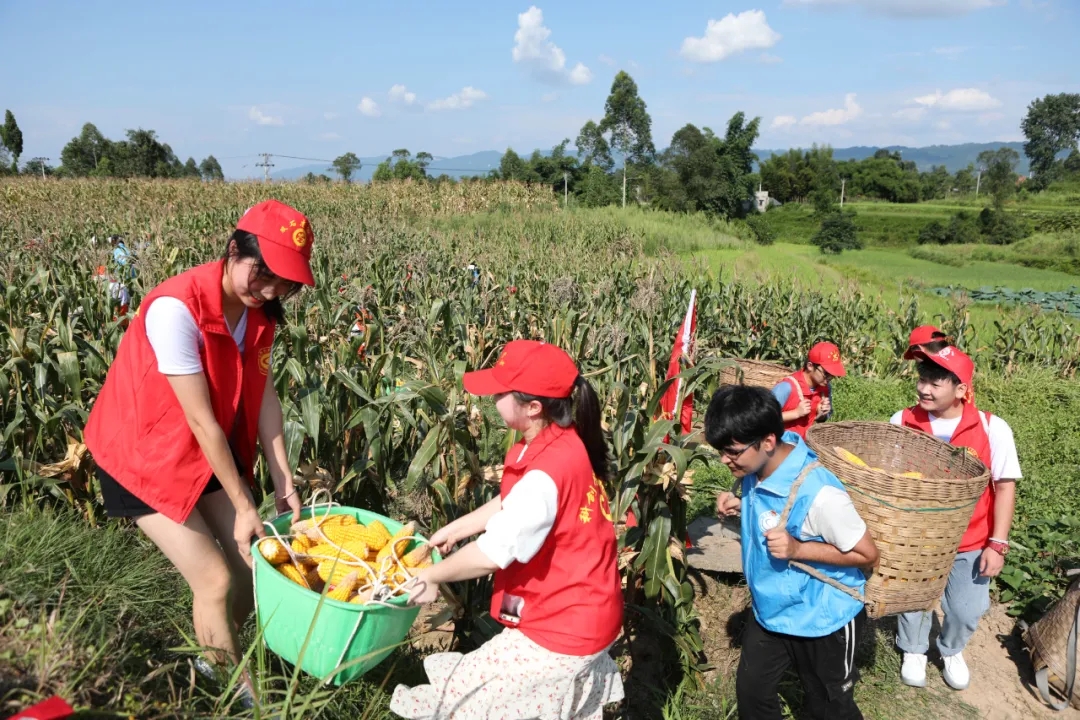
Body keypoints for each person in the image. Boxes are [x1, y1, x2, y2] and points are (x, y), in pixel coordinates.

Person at [83, 200, 315, 705]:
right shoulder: (177, 308)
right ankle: (239, 698)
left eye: (285, 283)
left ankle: (210, 658)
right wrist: (246, 506)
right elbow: (200, 421)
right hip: (143, 455)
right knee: (214, 580)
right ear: (233, 250)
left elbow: (265, 395)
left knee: (254, 569)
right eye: (263, 273)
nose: (270, 291)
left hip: (202, 451)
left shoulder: (257, 314)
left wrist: (283, 481)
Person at [391, 340, 625, 720]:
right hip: (582, 607)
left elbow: (491, 553)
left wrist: (431, 576)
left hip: (565, 626)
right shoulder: (562, 441)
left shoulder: (547, 473)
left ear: (533, 407)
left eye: (501, 393)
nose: (492, 398)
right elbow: (514, 501)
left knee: (467, 701)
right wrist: (459, 528)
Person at [708, 384, 879, 720]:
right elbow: (774, 516)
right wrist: (741, 506)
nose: (725, 460)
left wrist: (798, 549)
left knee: (829, 707)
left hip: (822, 620)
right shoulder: (755, 470)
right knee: (752, 694)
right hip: (771, 611)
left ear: (768, 441)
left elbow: (868, 555)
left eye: (732, 452)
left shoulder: (821, 494)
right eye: (721, 451)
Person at [890, 346, 1020, 691]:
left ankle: (951, 648)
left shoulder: (992, 427)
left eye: (935, 383)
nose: (924, 389)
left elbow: (1004, 487)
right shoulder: (902, 421)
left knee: (967, 608)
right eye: (922, 380)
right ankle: (914, 649)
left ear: (961, 389)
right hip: (917, 536)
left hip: (972, 539)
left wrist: (997, 543)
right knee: (914, 598)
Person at [771, 341, 846, 439]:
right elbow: (764, 418)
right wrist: (795, 413)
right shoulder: (786, 387)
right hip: (779, 444)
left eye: (832, 375)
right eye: (826, 373)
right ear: (810, 366)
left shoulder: (825, 388)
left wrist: (822, 415)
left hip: (805, 443)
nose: (829, 378)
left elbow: (822, 419)